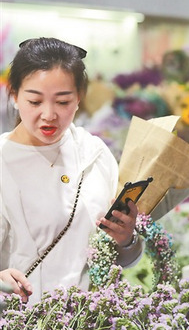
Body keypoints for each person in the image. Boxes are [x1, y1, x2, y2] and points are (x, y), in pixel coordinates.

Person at [0, 37, 142, 304]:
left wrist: (127, 241)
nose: (49, 114)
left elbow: (117, 260)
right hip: (22, 329)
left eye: (63, 102)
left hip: (92, 327)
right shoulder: (4, 160)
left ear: (79, 99)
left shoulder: (95, 153)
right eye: (35, 101)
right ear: (15, 96)